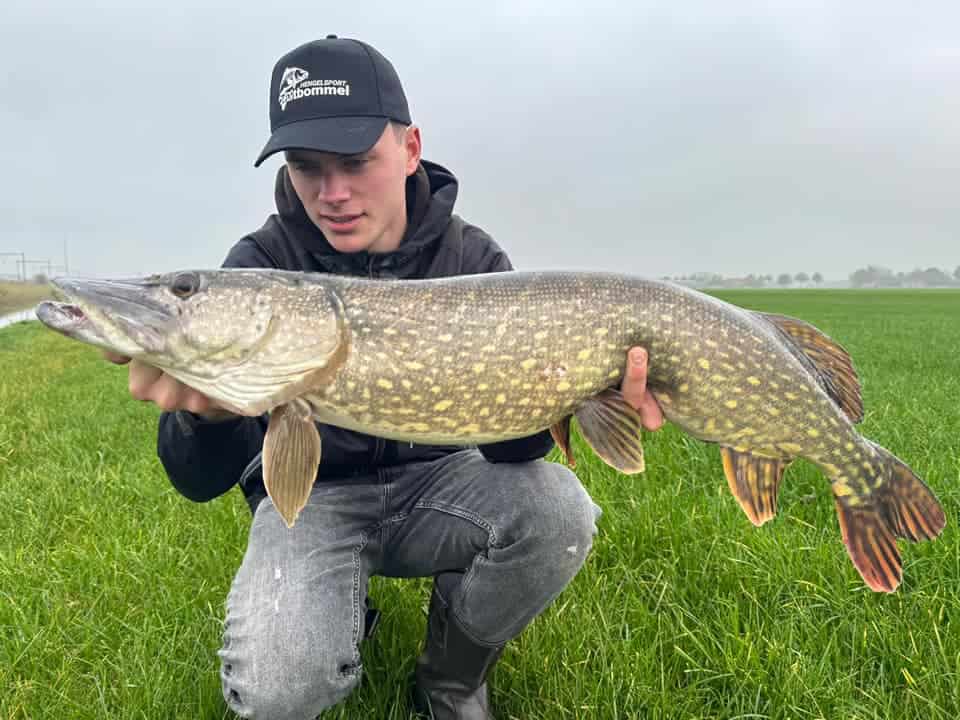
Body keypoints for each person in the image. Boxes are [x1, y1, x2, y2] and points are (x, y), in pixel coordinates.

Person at [105, 36, 664, 720]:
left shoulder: (473, 259)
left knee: (558, 512)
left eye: (356, 161)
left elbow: (513, 453)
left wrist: (564, 392)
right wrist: (206, 416)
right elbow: (196, 480)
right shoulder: (262, 265)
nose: (332, 193)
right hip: (318, 500)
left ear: (409, 148)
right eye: (307, 167)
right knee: (278, 691)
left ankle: (452, 677)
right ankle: (342, 607)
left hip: (438, 484)